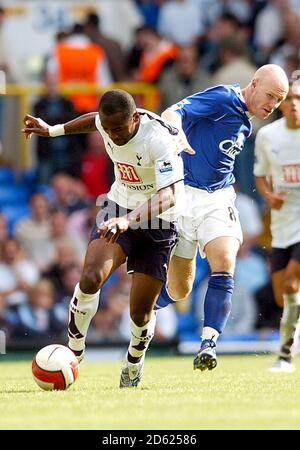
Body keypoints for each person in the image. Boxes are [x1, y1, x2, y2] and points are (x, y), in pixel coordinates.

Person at [22, 89, 184, 388]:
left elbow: (169, 195)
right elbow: (92, 121)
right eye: (108, 130)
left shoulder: (158, 139)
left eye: (119, 129)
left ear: (134, 118)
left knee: (140, 312)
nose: (113, 136)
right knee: (91, 276)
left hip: (159, 221)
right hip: (118, 205)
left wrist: (130, 219)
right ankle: (74, 349)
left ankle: (134, 361)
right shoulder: (108, 122)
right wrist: (53, 130)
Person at [155, 64, 289, 372]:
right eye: (269, 96)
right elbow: (172, 113)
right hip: (183, 196)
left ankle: (209, 344)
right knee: (179, 290)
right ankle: (150, 307)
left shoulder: (249, 122)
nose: (272, 105)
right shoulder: (223, 98)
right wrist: (175, 133)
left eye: (278, 101)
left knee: (225, 260)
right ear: (253, 84)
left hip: (217, 198)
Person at [254, 81, 300, 373]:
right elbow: (259, 175)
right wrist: (270, 197)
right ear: (281, 102)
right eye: (291, 98)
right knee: (280, 294)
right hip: (282, 225)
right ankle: (293, 332)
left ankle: (284, 356)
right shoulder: (268, 136)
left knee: (292, 282)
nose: (295, 103)